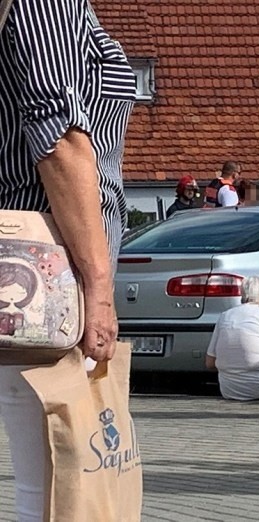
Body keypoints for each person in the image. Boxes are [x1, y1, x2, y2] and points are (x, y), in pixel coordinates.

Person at [0, 1, 138, 519]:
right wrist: (98, 285)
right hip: (49, 266)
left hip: (41, 255)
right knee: (56, 476)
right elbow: (57, 141)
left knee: (50, 465)